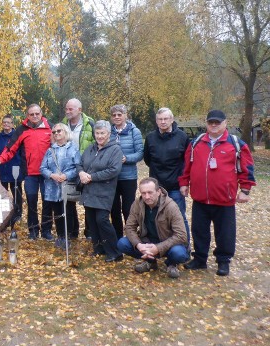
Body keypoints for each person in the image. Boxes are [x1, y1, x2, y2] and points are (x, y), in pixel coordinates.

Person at [179, 110, 255, 276]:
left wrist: (245, 189)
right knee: (199, 231)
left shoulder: (237, 144)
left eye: (217, 122)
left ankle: (223, 261)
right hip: (200, 198)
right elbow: (187, 166)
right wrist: (184, 183)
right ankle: (200, 259)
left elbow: (246, 168)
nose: (214, 125)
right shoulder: (196, 143)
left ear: (225, 123)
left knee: (225, 232)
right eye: (211, 122)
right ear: (206, 123)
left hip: (224, 199)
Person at [0, 104, 52, 240]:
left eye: (37, 113)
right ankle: (33, 231)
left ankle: (46, 230)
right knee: (31, 202)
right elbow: (11, 148)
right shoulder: (22, 130)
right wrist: (0, 160)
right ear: (27, 116)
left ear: (41, 113)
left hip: (48, 173)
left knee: (47, 202)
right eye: (31, 114)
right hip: (30, 173)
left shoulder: (50, 127)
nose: (35, 116)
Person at [117, 177, 189, 278]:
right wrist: (139, 245)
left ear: (158, 191)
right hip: (147, 242)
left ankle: (172, 264)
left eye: (150, 192)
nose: (146, 196)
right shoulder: (137, 204)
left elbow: (181, 235)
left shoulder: (171, 206)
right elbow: (129, 227)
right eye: (143, 193)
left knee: (179, 253)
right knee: (122, 244)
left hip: (167, 244)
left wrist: (158, 248)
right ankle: (150, 262)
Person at [77, 120, 123, 262]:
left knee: (102, 220)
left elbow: (113, 170)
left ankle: (115, 252)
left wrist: (91, 177)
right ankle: (98, 249)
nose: (100, 136)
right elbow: (79, 164)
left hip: (104, 191)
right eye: (97, 133)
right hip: (89, 191)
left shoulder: (115, 149)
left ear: (108, 134)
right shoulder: (90, 148)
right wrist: (81, 173)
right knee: (91, 221)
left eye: (102, 133)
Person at [143, 107, 190, 238]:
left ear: (172, 119)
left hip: (175, 186)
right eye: (160, 119)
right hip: (156, 186)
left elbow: (186, 161)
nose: (163, 122)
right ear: (156, 121)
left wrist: (183, 183)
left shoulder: (182, 137)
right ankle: (158, 245)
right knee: (156, 217)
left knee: (179, 217)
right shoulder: (150, 138)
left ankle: (183, 247)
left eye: (165, 119)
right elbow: (147, 159)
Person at [39, 123, 80, 249]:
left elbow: (78, 167)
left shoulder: (73, 148)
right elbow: (42, 168)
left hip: (67, 185)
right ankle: (61, 235)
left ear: (65, 132)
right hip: (53, 187)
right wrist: (52, 175)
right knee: (57, 212)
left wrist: (66, 175)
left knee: (68, 211)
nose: (56, 133)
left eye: (59, 131)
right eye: (54, 132)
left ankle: (70, 236)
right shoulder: (50, 150)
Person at [62, 98, 95, 239]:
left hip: (86, 169)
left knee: (88, 201)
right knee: (68, 201)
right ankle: (71, 232)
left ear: (79, 110)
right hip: (68, 169)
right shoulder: (62, 125)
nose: (68, 111)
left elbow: (97, 144)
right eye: (66, 109)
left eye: (71, 109)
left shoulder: (90, 124)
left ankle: (89, 232)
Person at [109, 104, 143, 239]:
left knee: (128, 209)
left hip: (128, 176)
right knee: (114, 208)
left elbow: (140, 153)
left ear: (125, 115)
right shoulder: (109, 132)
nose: (117, 117)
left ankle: (131, 236)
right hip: (112, 177)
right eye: (114, 115)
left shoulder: (135, 131)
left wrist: (126, 158)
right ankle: (117, 236)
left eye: (119, 114)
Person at [0, 114, 24, 225]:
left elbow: (22, 153)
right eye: (4, 122)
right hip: (1, 170)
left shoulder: (17, 137)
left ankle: (17, 214)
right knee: (2, 193)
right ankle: (3, 214)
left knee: (16, 193)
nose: (6, 124)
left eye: (8, 122)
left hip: (15, 169)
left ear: (12, 124)